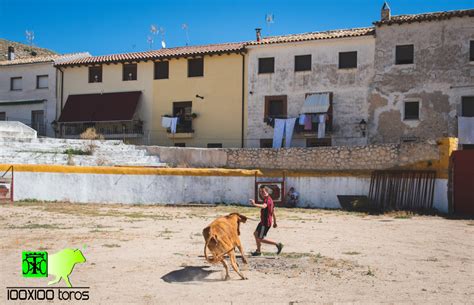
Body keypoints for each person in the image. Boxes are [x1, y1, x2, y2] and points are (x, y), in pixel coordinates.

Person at [249, 186, 283, 256]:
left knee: (260, 239)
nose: (261, 193)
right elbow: (273, 212)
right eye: (260, 192)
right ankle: (258, 251)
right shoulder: (270, 199)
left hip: (265, 223)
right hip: (262, 222)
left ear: (267, 192)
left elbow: (264, 206)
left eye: (263, 191)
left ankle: (278, 244)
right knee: (255, 234)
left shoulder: (267, 200)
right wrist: (275, 222)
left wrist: (254, 204)